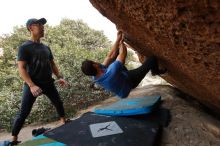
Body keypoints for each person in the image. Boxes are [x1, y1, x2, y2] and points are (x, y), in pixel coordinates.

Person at [11, 18, 67, 145]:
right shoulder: (24, 47)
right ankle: (14, 139)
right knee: (23, 112)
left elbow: (52, 64)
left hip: (48, 82)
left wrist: (59, 77)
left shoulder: (46, 47)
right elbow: (21, 68)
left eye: (43, 25)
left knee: (58, 102)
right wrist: (31, 85)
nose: (43, 27)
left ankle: (63, 121)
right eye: (39, 25)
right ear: (31, 28)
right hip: (33, 84)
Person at [81, 30, 166, 99]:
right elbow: (123, 54)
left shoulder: (95, 75)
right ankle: (155, 71)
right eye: (93, 62)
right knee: (152, 59)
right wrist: (122, 43)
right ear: (95, 65)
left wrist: (118, 39)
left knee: (114, 56)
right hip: (130, 82)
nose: (95, 61)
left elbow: (110, 56)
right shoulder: (111, 72)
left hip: (121, 78)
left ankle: (123, 69)